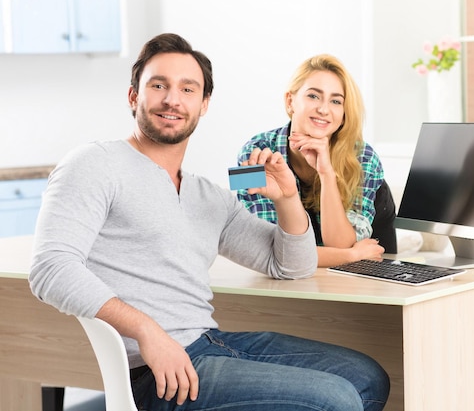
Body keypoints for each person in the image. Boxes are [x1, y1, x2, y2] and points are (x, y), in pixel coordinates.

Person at [29, 33, 389, 411]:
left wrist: (287, 199)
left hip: (207, 343)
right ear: (134, 96)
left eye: (188, 89)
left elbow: (291, 266)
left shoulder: (206, 195)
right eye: (158, 85)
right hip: (156, 373)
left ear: (203, 105)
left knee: (367, 378)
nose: (173, 99)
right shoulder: (94, 163)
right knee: (336, 400)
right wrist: (147, 331)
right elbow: (51, 268)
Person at [237, 54, 397, 268]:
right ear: (290, 100)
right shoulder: (252, 153)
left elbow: (343, 246)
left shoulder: (365, 158)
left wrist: (327, 174)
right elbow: (268, 251)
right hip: (338, 261)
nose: (324, 109)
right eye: (313, 96)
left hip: (367, 256)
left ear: (343, 113)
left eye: (336, 101)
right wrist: (351, 255)